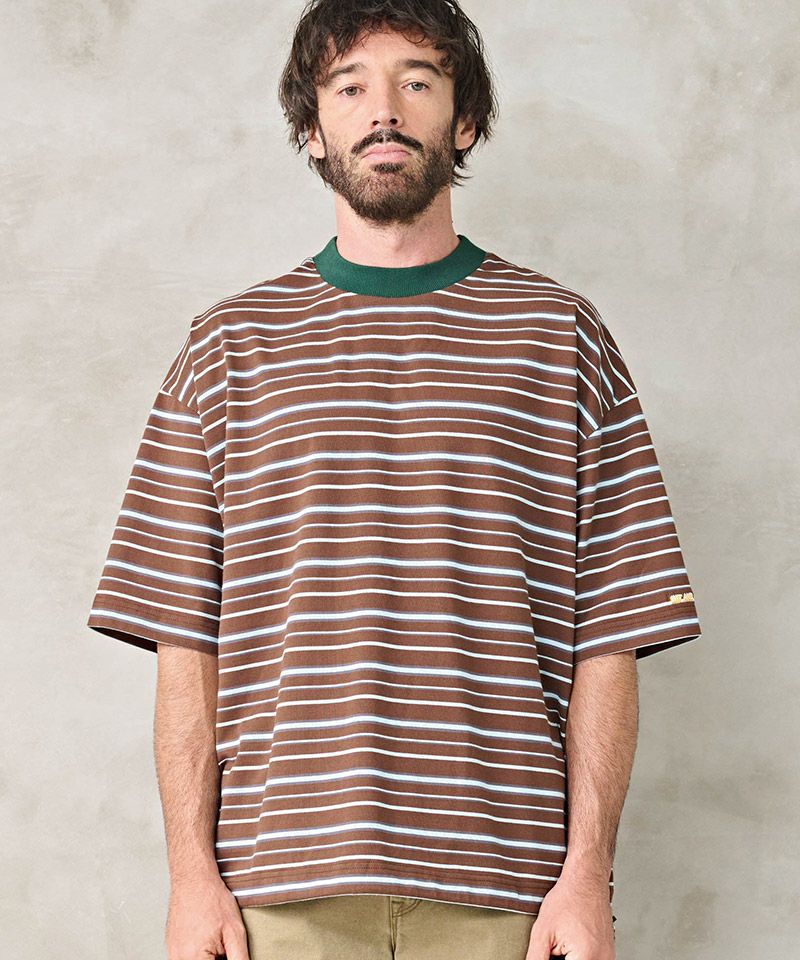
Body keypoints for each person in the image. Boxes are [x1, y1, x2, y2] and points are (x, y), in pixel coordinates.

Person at [86, 1, 703, 958]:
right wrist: (191, 877)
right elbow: (184, 640)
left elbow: (610, 635)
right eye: (349, 87)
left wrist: (587, 874)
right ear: (312, 129)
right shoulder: (228, 350)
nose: (384, 110)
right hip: (276, 895)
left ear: (465, 121)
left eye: (417, 81)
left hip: (507, 892)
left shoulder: (561, 340)